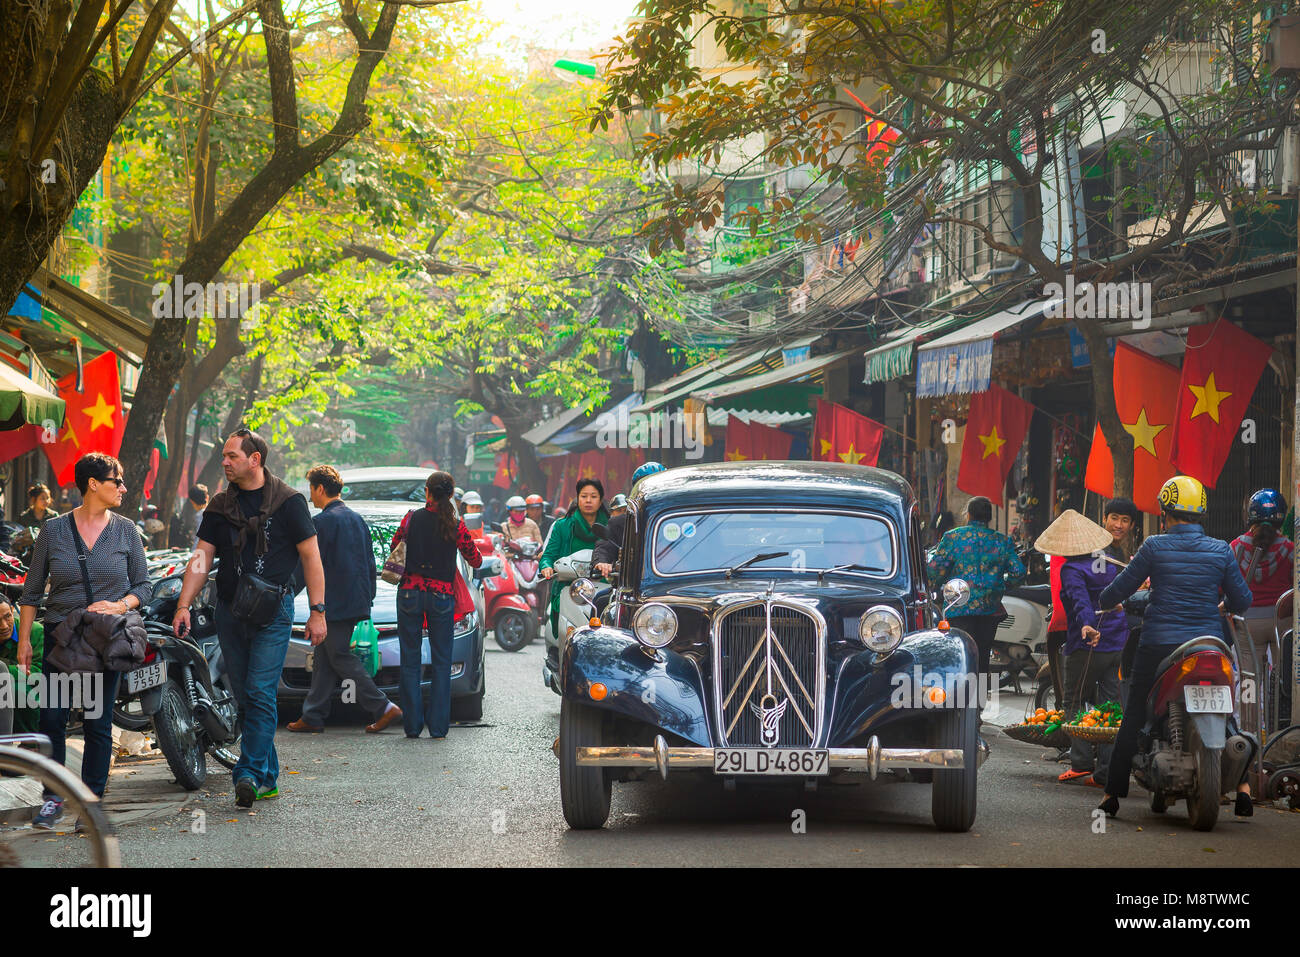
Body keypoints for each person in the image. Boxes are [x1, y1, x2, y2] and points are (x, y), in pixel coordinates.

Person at [173, 428, 326, 809]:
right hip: (230, 610)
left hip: (275, 610)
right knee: (245, 698)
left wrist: (318, 611)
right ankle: (268, 778)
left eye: (231, 456)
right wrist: (183, 604)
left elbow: (311, 557)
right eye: (223, 457)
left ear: (254, 459)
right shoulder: (221, 505)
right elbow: (201, 557)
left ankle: (247, 773)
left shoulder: (290, 502)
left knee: (260, 692)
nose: (224, 462)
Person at [1097, 475, 1255, 819]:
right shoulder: (1221, 550)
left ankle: (1112, 794)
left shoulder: (1154, 546)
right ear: (1200, 514)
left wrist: (1105, 600)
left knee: (1135, 711)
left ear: (1166, 513)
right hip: (1209, 644)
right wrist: (1222, 606)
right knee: (1227, 712)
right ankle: (1244, 786)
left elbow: (1122, 588)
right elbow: (1242, 599)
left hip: (1159, 644)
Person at [16, 453, 153, 829]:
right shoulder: (54, 530)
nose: (123, 487)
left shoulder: (126, 530)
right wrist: (24, 641)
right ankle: (53, 799)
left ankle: (91, 804)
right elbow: (30, 593)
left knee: (97, 722)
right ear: (93, 484)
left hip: (104, 640)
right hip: (62, 640)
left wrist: (120, 604)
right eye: (116, 480)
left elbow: (144, 586)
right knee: (52, 721)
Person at [288, 466, 401, 734]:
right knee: (325, 656)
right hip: (356, 600)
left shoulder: (322, 522)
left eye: (312, 489)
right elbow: (369, 560)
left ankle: (383, 706)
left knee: (338, 655)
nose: (311, 496)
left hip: (334, 603)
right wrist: (368, 598)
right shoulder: (356, 519)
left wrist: (288, 591)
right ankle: (313, 715)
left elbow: (310, 564)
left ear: (320, 489)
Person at [1037, 505, 1135, 786]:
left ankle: (1080, 762)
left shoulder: (1072, 569)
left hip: (1087, 645)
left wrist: (1086, 625)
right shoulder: (1110, 562)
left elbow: (1080, 601)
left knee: (1074, 701)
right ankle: (1104, 771)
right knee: (1109, 706)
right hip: (1118, 642)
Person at [388, 471, 482, 739]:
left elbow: (395, 547)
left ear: (427, 492)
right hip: (442, 596)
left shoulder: (411, 518)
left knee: (410, 659)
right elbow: (474, 560)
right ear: (451, 495)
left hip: (409, 593)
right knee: (442, 662)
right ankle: (439, 727)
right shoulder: (456, 525)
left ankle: (412, 726)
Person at [926, 496, 1024, 679]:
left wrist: (939, 584)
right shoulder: (1002, 541)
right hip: (989, 610)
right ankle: (978, 704)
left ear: (968, 515)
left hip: (959, 609)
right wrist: (1000, 585)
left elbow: (933, 572)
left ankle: (960, 702)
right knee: (982, 656)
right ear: (989, 517)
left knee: (960, 657)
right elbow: (1018, 572)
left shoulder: (953, 538)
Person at [1229, 488, 1293, 689]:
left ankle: (1250, 719)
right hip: (1281, 624)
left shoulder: (1235, 547)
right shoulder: (1291, 550)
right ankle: (1279, 717)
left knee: (1249, 680)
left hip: (1247, 623)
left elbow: (1228, 586)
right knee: (1282, 680)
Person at [541, 478, 610, 639]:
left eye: (593, 496)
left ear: (600, 501)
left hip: (604, 588)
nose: (588, 500)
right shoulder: (562, 526)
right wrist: (546, 566)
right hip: (567, 587)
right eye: (584, 496)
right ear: (577, 499)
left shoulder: (611, 526)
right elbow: (548, 555)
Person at [593, 462, 667, 579]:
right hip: (633, 582)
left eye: (658, 487)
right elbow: (604, 547)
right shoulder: (620, 522)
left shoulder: (680, 519)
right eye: (647, 488)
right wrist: (602, 562)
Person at [0, 597, 42, 735]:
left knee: (18, 690)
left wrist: (4, 669)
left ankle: (30, 745)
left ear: (13, 610)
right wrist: (15, 669)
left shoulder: (35, 632)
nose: (4, 626)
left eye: (8, 617)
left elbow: (37, 673)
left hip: (36, 693)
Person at [170, 483, 209, 550]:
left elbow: (199, 540)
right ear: (207, 497)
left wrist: (193, 555)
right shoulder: (212, 513)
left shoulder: (202, 516)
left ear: (192, 501)